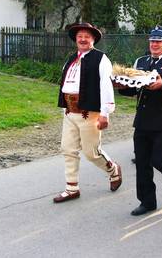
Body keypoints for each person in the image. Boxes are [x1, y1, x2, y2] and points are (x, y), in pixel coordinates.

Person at [118, 25, 162, 216]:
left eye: (159, 41)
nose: (154, 44)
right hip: (143, 118)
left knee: (161, 160)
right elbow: (133, 88)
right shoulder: (141, 61)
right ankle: (147, 201)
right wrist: (120, 85)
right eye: (152, 41)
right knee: (142, 163)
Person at [53, 22, 122, 203]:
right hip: (69, 112)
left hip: (89, 113)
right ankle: (72, 188)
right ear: (76, 39)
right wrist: (65, 107)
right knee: (68, 149)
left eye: (87, 36)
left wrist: (105, 113)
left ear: (93, 39)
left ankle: (113, 169)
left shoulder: (101, 59)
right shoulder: (71, 58)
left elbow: (105, 85)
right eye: (79, 36)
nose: (83, 39)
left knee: (91, 152)